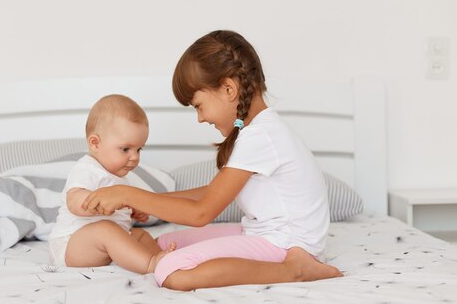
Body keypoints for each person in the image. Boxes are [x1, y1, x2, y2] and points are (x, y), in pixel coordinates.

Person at [83, 30, 344, 290]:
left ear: (228, 89)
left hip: (285, 244)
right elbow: (213, 193)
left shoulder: (261, 136)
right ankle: (291, 265)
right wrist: (151, 204)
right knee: (161, 245)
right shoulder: (258, 131)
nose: (200, 118)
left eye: (198, 105)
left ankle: (294, 270)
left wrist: (126, 194)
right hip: (270, 235)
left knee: (170, 270)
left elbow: (202, 213)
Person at [48, 94, 175, 274]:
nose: (135, 157)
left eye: (139, 149)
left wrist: (132, 211)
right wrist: (96, 204)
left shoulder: (120, 177)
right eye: (126, 149)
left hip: (99, 246)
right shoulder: (87, 168)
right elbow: (74, 201)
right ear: (95, 143)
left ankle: (167, 261)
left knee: (139, 236)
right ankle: (151, 264)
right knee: (107, 230)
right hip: (70, 246)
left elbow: (117, 213)